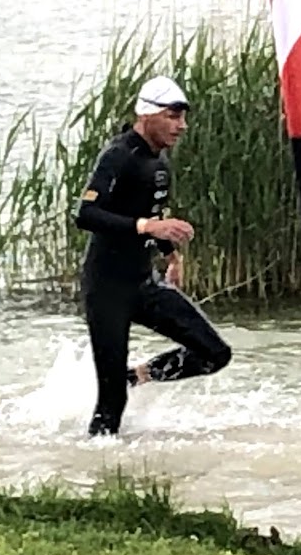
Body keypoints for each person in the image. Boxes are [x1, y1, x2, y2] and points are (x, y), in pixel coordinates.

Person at [75, 76, 232, 437]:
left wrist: (171, 254)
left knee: (214, 354)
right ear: (147, 114)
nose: (182, 126)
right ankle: (97, 471)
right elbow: (85, 215)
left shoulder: (159, 161)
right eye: (173, 116)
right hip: (108, 288)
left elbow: (151, 212)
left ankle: (139, 375)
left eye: (183, 117)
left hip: (144, 284)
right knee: (111, 401)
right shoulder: (118, 155)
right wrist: (148, 228)